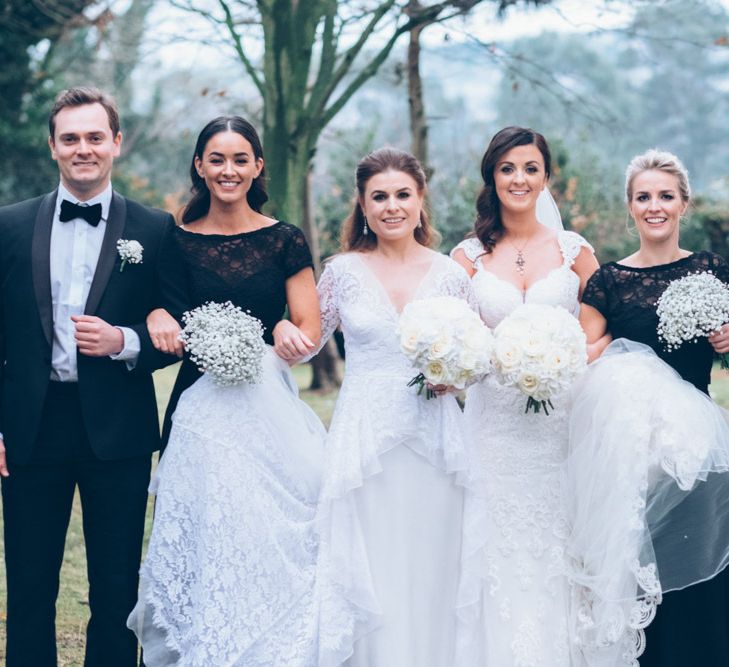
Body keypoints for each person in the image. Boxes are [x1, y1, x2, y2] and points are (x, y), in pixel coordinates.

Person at [126, 116, 327, 666]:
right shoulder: (174, 237)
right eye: (217, 159)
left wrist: (290, 333)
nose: (228, 170)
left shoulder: (285, 238)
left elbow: (308, 330)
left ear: (258, 166)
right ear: (199, 166)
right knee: (204, 534)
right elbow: (156, 303)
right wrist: (158, 313)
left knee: (266, 534)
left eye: (240, 159)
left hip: (268, 410)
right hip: (199, 407)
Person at [0, 87, 185, 666]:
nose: (84, 149)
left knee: (114, 588)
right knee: (29, 583)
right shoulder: (8, 225)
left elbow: (176, 326)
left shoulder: (156, 229)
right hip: (29, 427)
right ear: (53, 146)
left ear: (117, 144)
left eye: (95, 137)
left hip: (119, 431)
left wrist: (125, 341)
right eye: (71, 138)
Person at [279, 147, 475, 666]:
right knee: (371, 563)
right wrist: (279, 329)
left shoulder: (450, 275)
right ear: (362, 207)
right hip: (364, 441)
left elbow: (478, 356)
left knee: (431, 559)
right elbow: (308, 339)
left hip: (433, 439)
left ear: (420, 200)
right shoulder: (343, 272)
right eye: (379, 197)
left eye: (402, 195)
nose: (392, 207)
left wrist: (454, 378)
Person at [450, 126, 598, 665]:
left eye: (530, 168)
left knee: (558, 540)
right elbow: (456, 341)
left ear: (546, 177)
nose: (519, 178)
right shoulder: (466, 257)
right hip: (494, 427)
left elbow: (602, 331)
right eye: (508, 168)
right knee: (495, 542)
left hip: (559, 425)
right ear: (493, 175)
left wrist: (565, 358)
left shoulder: (575, 252)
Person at [578, 148, 729, 666]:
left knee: (703, 579)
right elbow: (583, 361)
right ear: (631, 207)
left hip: (697, 454)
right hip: (632, 462)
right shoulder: (608, 282)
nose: (655, 206)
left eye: (666, 196)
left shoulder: (712, 271)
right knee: (647, 581)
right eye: (644, 197)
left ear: (684, 203)